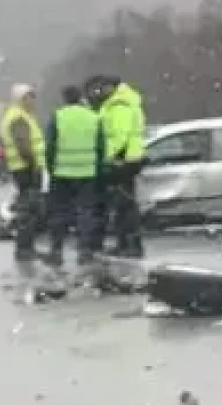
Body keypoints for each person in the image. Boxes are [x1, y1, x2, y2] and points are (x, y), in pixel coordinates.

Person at [43, 83, 106, 267]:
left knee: (59, 213)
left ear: (64, 98)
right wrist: (99, 170)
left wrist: (51, 168)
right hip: (87, 173)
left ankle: (56, 251)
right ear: (80, 98)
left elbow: (50, 146)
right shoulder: (93, 118)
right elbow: (101, 148)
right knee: (86, 213)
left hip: (62, 173)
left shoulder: (58, 116)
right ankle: (84, 251)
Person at [89, 74, 148, 258]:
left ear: (113, 87)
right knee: (124, 203)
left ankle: (131, 245)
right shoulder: (122, 102)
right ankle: (126, 243)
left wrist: (109, 157)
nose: (101, 91)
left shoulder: (119, 104)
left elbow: (120, 135)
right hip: (128, 157)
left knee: (125, 204)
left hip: (124, 158)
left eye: (104, 87)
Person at [0, 83, 45, 259]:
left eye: (32, 97)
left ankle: (25, 246)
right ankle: (25, 248)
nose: (31, 101)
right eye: (28, 97)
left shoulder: (21, 115)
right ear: (19, 99)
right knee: (28, 208)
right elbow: (23, 144)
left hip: (21, 167)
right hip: (26, 168)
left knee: (27, 206)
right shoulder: (18, 117)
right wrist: (33, 164)